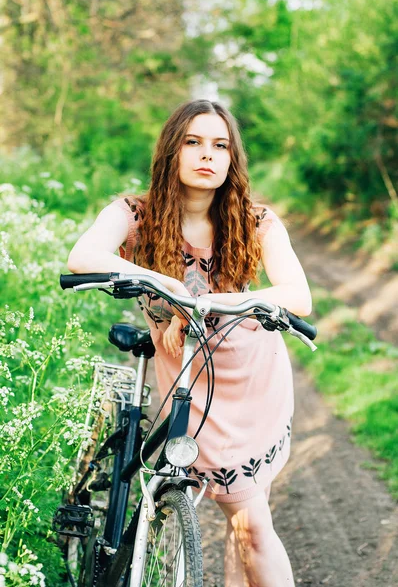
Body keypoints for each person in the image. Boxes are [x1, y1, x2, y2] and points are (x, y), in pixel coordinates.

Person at [67, 99, 312, 587]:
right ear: (171, 153)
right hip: (190, 380)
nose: (208, 155)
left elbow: (298, 296)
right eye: (193, 142)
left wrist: (216, 302)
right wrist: (170, 287)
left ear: (232, 158)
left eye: (220, 145)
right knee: (244, 520)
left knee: (251, 526)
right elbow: (84, 255)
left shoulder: (254, 220)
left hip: (250, 378)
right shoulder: (134, 213)